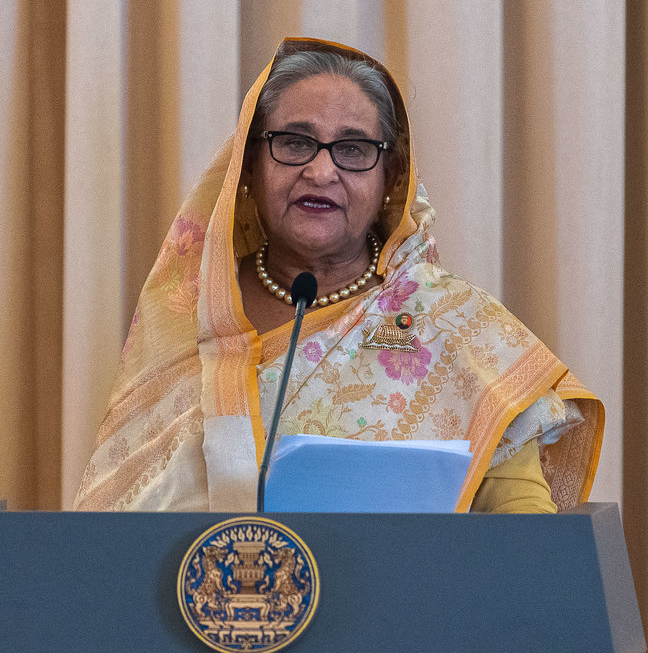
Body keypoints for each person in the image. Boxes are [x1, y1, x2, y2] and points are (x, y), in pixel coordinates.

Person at [75, 38, 603, 513]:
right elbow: (123, 502)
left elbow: (521, 518)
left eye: (352, 150)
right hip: (194, 609)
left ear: (391, 177)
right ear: (249, 164)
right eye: (295, 142)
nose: (321, 171)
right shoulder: (187, 310)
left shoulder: (457, 327)